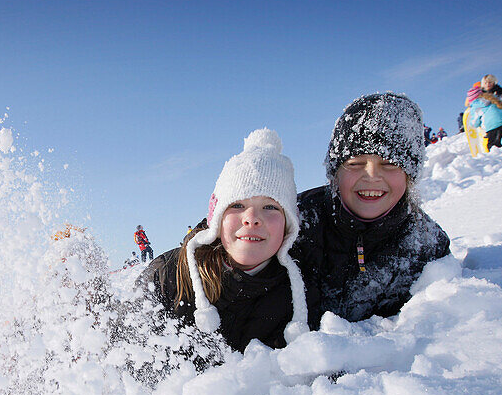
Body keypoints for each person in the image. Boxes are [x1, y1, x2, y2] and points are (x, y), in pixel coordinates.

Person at [142, 129, 310, 353]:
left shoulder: (299, 293)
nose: (251, 219)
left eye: (269, 207)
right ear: (216, 218)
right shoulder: (167, 277)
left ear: (288, 225)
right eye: (237, 205)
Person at [292, 93, 451, 323]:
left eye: (390, 164)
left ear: (410, 175)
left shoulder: (426, 244)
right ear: (335, 173)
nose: (373, 176)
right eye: (355, 164)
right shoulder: (296, 221)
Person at [467, 75, 502, 149]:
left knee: (493, 146)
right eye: (485, 83)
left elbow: (475, 120)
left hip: (492, 125)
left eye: (490, 82)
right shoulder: (500, 95)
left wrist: (473, 124)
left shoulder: (479, 102)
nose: (488, 84)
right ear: (482, 85)